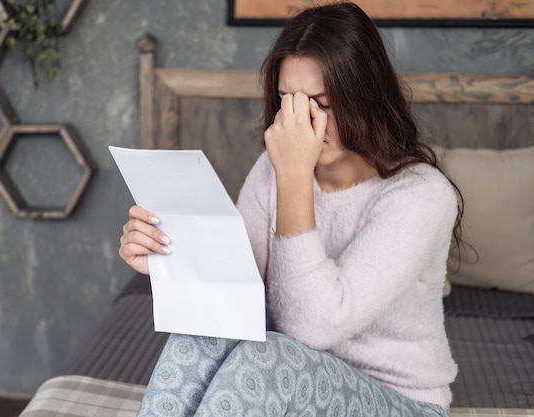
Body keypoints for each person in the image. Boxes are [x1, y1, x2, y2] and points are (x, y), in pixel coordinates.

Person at [119, 2, 463, 416]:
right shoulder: (272, 168)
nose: (300, 122)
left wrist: (295, 176)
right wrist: (166, 259)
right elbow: (235, 293)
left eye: (322, 102)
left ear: (366, 96)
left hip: (399, 401)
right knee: (199, 337)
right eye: (289, 101)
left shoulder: (421, 195)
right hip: (289, 390)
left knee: (267, 358)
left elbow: (312, 328)